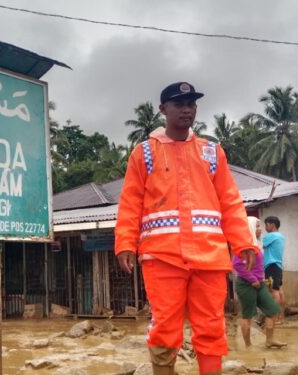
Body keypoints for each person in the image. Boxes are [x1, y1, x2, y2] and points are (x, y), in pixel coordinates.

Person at [115, 82, 258, 375]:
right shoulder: (143, 154)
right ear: (163, 109)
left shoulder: (212, 152)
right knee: (164, 327)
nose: (187, 109)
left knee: (211, 327)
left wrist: (244, 242)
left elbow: (230, 201)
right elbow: (130, 202)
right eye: (179, 104)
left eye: (191, 104)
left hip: (210, 258)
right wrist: (125, 244)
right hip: (161, 257)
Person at [232, 217, 286, 349]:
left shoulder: (257, 243)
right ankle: (248, 346)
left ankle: (270, 340)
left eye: (260, 226)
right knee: (247, 316)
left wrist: (259, 279)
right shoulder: (244, 244)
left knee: (273, 310)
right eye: (257, 226)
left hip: (259, 283)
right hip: (246, 284)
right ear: (250, 228)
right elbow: (237, 265)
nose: (260, 229)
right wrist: (253, 279)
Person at [262, 216, 286, 320]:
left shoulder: (271, 235)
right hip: (278, 266)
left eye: (266, 224)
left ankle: (274, 317)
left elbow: (259, 243)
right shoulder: (281, 236)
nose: (265, 227)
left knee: (273, 291)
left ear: (272, 225)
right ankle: (281, 315)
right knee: (279, 289)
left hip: (271, 265)